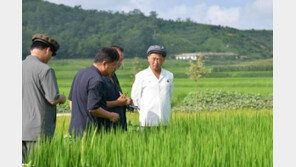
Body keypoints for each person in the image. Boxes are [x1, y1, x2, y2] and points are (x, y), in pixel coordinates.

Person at [22, 34, 66, 162]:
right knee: (38, 163)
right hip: (38, 131)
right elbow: (52, 99)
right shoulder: (45, 70)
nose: (50, 59)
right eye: (51, 55)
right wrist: (61, 98)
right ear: (47, 50)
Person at [68, 47, 120, 137]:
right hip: (90, 132)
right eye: (114, 65)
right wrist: (111, 115)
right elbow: (93, 108)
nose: (115, 68)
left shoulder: (80, 73)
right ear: (105, 64)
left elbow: (71, 101)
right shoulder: (97, 80)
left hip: (75, 129)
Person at [131, 45, 174, 129]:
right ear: (148, 59)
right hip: (147, 119)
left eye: (159, 59)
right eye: (153, 59)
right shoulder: (141, 76)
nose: (156, 62)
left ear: (164, 60)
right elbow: (135, 97)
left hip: (164, 119)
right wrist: (144, 110)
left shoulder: (169, 75)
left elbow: (169, 94)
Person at [102, 46, 133, 131]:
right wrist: (118, 103)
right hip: (106, 126)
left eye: (121, 60)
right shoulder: (100, 78)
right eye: (118, 59)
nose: (119, 63)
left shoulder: (113, 75)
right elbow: (95, 104)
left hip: (119, 125)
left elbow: (117, 96)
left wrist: (126, 102)